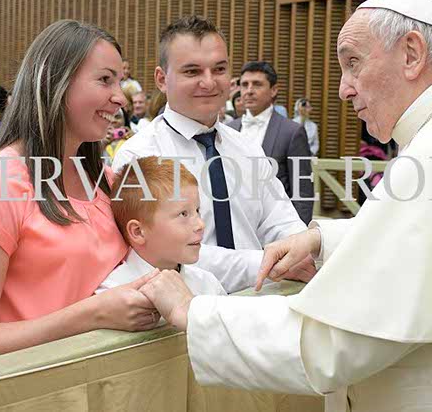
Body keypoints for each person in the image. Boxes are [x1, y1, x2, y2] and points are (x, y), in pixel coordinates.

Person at [138, 0, 432, 411]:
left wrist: (195, 315)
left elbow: (336, 341)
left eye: (353, 63)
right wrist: (321, 240)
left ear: (411, 54)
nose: (344, 89)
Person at [0, 20, 161, 362]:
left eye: (119, 81)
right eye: (105, 80)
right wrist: (91, 315)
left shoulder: (105, 178)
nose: (120, 97)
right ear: (54, 82)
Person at [113, 16, 313, 294]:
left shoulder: (247, 148)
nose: (208, 83)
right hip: (185, 313)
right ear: (161, 79)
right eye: (192, 71)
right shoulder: (139, 155)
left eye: (219, 69)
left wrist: (299, 251)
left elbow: (281, 221)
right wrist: (266, 263)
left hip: (261, 302)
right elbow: (168, 255)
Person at [97, 156, 225, 297]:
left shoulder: (207, 284)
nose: (201, 225)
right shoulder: (111, 295)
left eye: (197, 210)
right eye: (183, 214)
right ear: (138, 232)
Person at [228, 61, 314, 224]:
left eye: (257, 84)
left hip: (275, 225)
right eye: (245, 85)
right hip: (234, 224)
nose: (249, 91)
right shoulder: (229, 129)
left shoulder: (292, 132)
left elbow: (303, 192)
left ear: (273, 90)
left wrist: (301, 233)